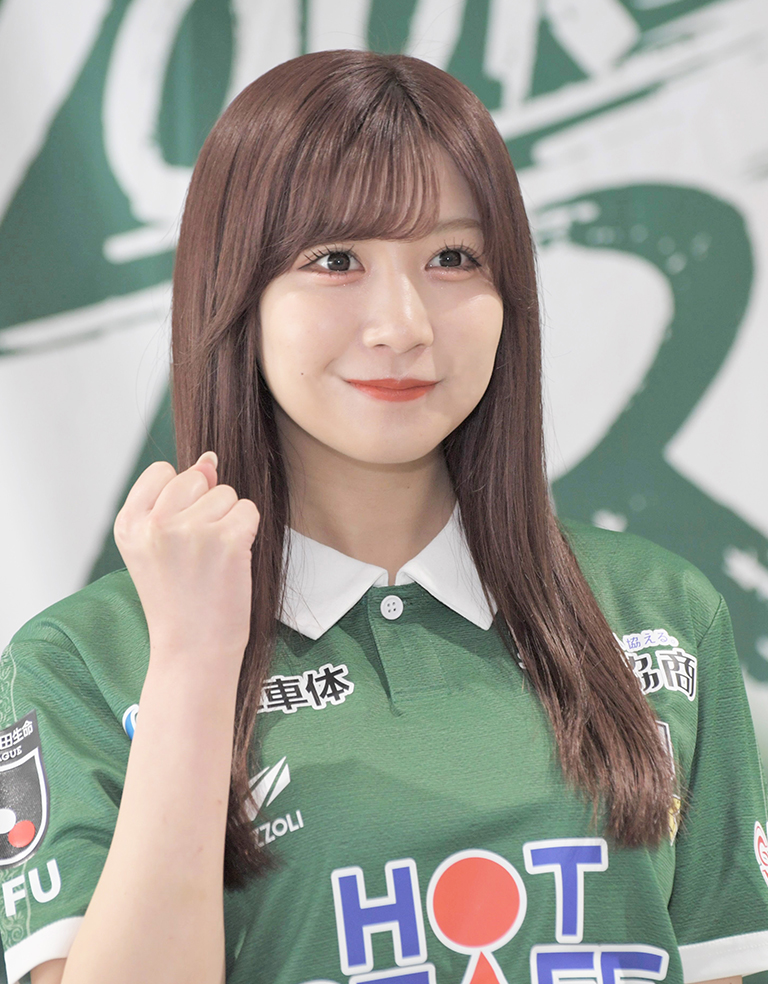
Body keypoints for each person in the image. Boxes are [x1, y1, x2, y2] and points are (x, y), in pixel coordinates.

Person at [0, 49, 765, 984]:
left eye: (453, 258)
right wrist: (195, 660)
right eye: (336, 260)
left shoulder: (662, 613)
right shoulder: (83, 663)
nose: (403, 324)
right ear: (235, 292)